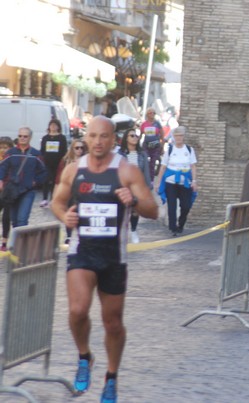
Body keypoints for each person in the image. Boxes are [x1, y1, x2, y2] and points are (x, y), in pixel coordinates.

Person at [51, 115, 158, 403]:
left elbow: (153, 210)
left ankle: (111, 377)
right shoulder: (74, 170)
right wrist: (65, 216)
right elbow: (57, 202)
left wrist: (133, 201)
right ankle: (85, 356)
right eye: (93, 136)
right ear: (85, 137)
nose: (98, 142)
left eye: (104, 137)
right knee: (77, 310)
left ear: (113, 139)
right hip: (82, 251)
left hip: (114, 257)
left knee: (112, 323)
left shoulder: (126, 171)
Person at [0, 127, 47, 228]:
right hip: (13, 190)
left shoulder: (35, 154)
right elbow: (2, 167)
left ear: (30, 138)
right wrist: (1, 180)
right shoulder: (11, 153)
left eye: (25, 136)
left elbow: (43, 172)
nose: (22, 138)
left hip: (27, 190)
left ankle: (21, 243)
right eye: (20, 136)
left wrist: (35, 182)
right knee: (14, 220)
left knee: (22, 220)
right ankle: (16, 243)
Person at [156, 126, 198, 236]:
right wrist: (159, 182)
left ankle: (181, 223)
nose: (178, 138)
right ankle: (173, 228)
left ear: (183, 137)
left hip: (185, 182)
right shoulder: (170, 150)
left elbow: (193, 166)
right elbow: (163, 167)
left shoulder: (189, 150)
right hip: (170, 182)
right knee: (172, 205)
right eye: (176, 136)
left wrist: (194, 181)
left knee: (186, 206)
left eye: (181, 136)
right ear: (173, 137)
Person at [119, 128, 151, 244]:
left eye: (136, 136)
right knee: (123, 210)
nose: (135, 138)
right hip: (124, 185)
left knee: (135, 210)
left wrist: (148, 187)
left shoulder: (142, 154)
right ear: (126, 138)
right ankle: (123, 232)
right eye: (132, 136)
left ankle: (133, 231)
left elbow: (146, 172)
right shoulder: (120, 154)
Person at [56, 139, 88, 246]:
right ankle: (69, 235)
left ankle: (81, 234)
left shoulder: (87, 161)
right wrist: (56, 192)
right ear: (72, 149)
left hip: (83, 190)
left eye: (81, 148)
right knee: (69, 211)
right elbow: (58, 178)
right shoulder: (66, 160)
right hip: (69, 190)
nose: (79, 150)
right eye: (77, 148)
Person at [40, 118, 68, 207]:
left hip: (57, 162)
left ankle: (52, 198)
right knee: (46, 180)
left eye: (55, 125)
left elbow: (64, 150)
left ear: (58, 127)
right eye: (51, 125)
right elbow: (42, 150)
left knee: (54, 181)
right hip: (47, 162)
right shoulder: (45, 138)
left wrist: (63, 160)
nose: (53, 127)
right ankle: (44, 198)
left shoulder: (61, 138)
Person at [140, 108, 164, 184]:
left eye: (153, 113)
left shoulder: (157, 123)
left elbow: (162, 136)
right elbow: (140, 136)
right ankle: (144, 178)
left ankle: (151, 180)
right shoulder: (144, 124)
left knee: (153, 163)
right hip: (146, 146)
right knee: (145, 162)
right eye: (150, 113)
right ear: (147, 114)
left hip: (155, 146)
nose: (152, 114)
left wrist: (162, 146)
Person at [0, 136, 14, 251]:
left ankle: (4, 240)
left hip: (9, 191)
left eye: (6, 147)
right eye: (1, 147)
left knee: (6, 217)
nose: (3, 150)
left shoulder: (12, 160)